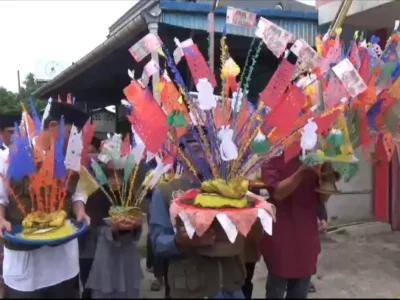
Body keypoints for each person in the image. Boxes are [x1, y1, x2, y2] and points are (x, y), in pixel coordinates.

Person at [0, 101, 91, 298]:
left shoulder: (71, 159)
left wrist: (79, 210)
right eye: (70, 134)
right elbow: (1, 197)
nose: (75, 141)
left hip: (64, 266)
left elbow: (78, 193)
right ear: (52, 126)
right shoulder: (11, 156)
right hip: (25, 270)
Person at [149, 127, 246, 299]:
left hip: (231, 284)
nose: (202, 155)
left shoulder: (229, 189)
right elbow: (157, 243)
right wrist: (179, 241)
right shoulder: (165, 192)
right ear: (181, 154)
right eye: (195, 149)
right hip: (192, 286)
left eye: (207, 150)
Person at [261, 154, 332, 299]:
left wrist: (328, 180)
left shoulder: (317, 157)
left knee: (300, 291)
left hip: (307, 237)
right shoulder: (272, 159)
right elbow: (278, 193)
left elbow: (321, 198)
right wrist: (302, 170)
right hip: (281, 234)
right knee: (276, 288)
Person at [84, 145, 148, 298]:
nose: (115, 178)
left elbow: (136, 219)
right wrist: (112, 229)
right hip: (104, 256)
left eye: (117, 173)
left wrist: (135, 225)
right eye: (110, 173)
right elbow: (93, 226)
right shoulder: (95, 193)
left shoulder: (128, 191)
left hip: (128, 256)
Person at [309, 203, 328, 294]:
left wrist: (323, 219)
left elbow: (320, 202)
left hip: (310, 224)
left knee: (312, 251)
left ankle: (306, 279)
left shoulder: (313, 191)